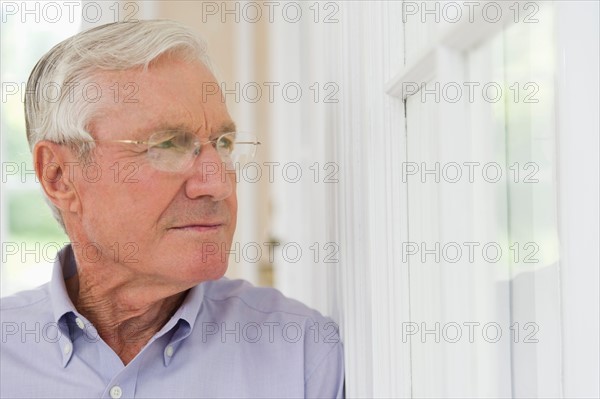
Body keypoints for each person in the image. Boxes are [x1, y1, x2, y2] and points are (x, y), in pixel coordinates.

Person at [0, 20, 344, 398]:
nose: (217, 183)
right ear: (59, 176)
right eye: (167, 145)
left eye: (224, 143)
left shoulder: (304, 353)